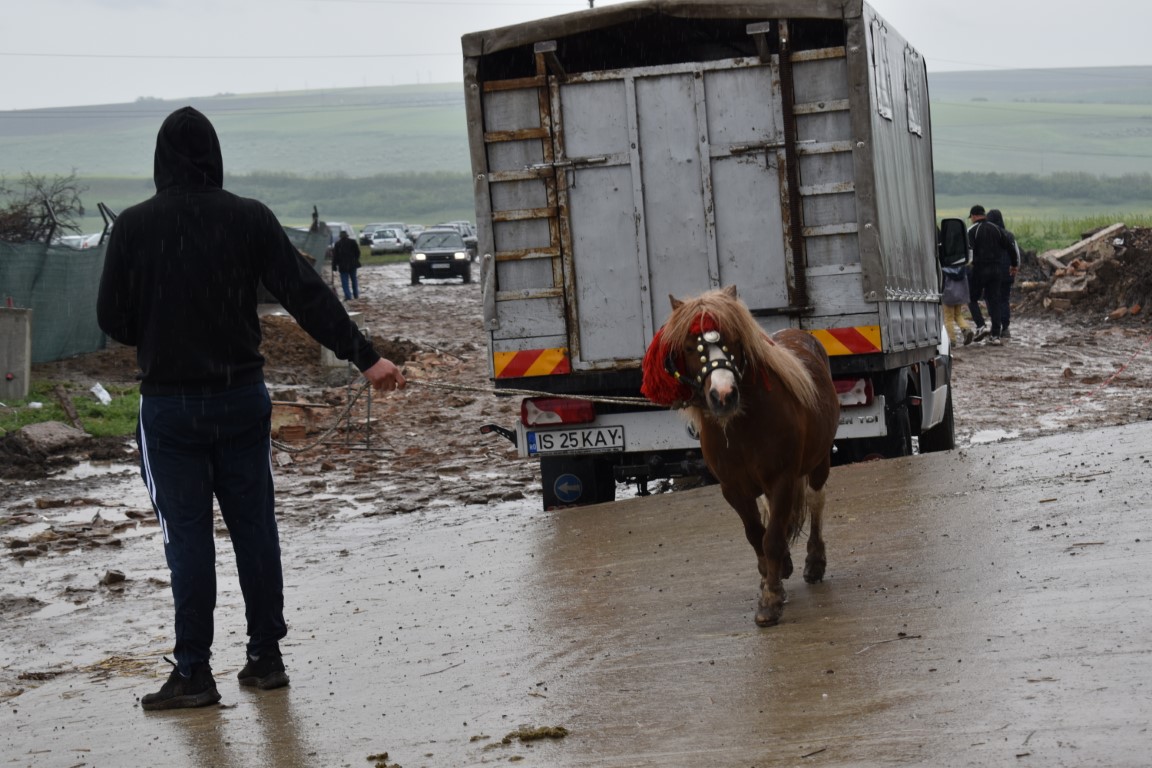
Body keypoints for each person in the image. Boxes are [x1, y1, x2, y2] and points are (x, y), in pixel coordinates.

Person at [96, 106, 407, 711]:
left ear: (160, 159)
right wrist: (365, 357)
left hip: (170, 408)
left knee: (187, 539)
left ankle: (194, 673)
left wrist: (159, 327)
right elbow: (305, 294)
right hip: (240, 399)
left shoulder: (134, 226)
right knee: (255, 529)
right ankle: (266, 658)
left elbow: (113, 319)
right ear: (214, 155)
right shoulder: (248, 218)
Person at [965, 204, 1011, 346]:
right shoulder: (997, 230)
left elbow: (968, 250)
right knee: (995, 300)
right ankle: (996, 335)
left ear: (973, 216)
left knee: (971, 298)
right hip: (997, 270)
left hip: (979, 270)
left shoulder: (972, 230)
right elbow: (1010, 247)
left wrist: (968, 266)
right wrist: (1015, 265)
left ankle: (981, 325)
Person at [985, 209, 1021, 339]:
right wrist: (1015, 267)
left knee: (991, 299)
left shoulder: (988, 236)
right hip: (1007, 273)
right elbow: (1016, 254)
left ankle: (996, 326)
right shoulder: (1009, 235)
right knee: (1004, 300)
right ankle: (1005, 328)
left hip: (991, 273)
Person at [331, 229, 362, 300]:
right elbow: (358, 253)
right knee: (354, 280)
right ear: (347, 236)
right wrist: (355, 259)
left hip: (342, 266)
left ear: (340, 237)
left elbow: (335, 257)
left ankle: (348, 296)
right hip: (352, 264)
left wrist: (334, 266)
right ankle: (356, 295)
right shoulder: (353, 242)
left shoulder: (338, 244)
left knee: (345, 282)